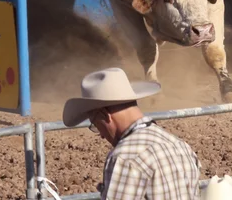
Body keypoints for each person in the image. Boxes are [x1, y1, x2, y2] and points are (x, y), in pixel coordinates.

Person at [62, 67, 201, 199]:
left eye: (96, 125)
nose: (102, 135)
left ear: (105, 116)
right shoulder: (179, 145)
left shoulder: (125, 157)